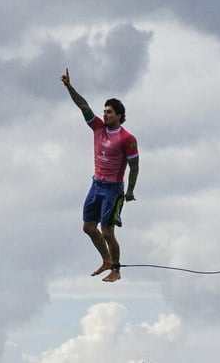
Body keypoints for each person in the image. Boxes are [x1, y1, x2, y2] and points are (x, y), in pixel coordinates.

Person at [60, 68, 139, 283]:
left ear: (120, 116)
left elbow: (135, 166)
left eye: (109, 112)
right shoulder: (97, 128)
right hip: (96, 185)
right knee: (88, 227)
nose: (105, 115)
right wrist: (69, 87)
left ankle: (116, 269)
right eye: (104, 111)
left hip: (113, 190)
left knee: (107, 231)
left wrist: (130, 191)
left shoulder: (127, 138)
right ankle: (105, 260)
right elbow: (83, 105)